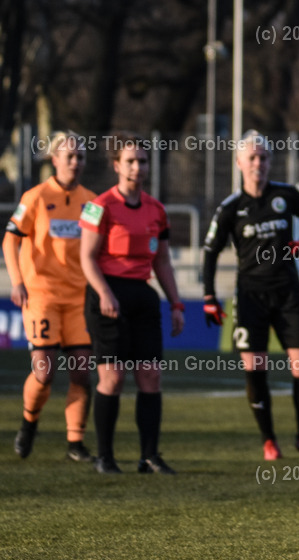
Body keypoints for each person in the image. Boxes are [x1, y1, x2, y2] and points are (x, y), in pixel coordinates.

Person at [202, 130, 299, 462]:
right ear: (240, 162)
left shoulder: (286, 195)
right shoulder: (230, 208)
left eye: (264, 157)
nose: (259, 163)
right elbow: (210, 252)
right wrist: (209, 297)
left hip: (288, 292)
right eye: (252, 158)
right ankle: (269, 439)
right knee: (256, 368)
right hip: (250, 296)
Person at [79, 132, 185, 474]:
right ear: (116, 166)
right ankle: (105, 457)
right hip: (107, 295)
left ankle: (149, 456)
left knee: (151, 377)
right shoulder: (100, 206)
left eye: (142, 161)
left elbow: (163, 261)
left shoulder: (157, 210)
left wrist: (176, 304)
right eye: (130, 161)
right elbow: (87, 258)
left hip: (142, 296)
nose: (137, 167)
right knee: (112, 378)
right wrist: (105, 294)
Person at [3, 132, 95, 463]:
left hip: (79, 299)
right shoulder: (37, 197)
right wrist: (17, 281)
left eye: (80, 156)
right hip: (41, 295)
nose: (75, 162)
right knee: (44, 371)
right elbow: (9, 239)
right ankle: (29, 422)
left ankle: (75, 442)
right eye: (69, 156)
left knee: (82, 370)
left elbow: (97, 248)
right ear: (54, 160)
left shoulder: (92, 203)